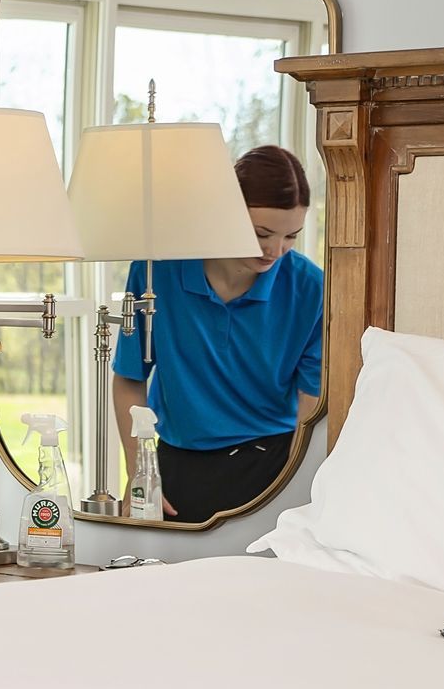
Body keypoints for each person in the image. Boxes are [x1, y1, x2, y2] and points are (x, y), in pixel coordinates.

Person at [111, 144, 324, 522]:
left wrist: (296, 489)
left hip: (272, 466)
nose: (275, 250)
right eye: (261, 233)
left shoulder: (311, 287)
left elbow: (311, 404)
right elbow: (130, 380)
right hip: (175, 465)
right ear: (225, 211)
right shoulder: (155, 271)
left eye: (291, 236)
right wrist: (139, 473)